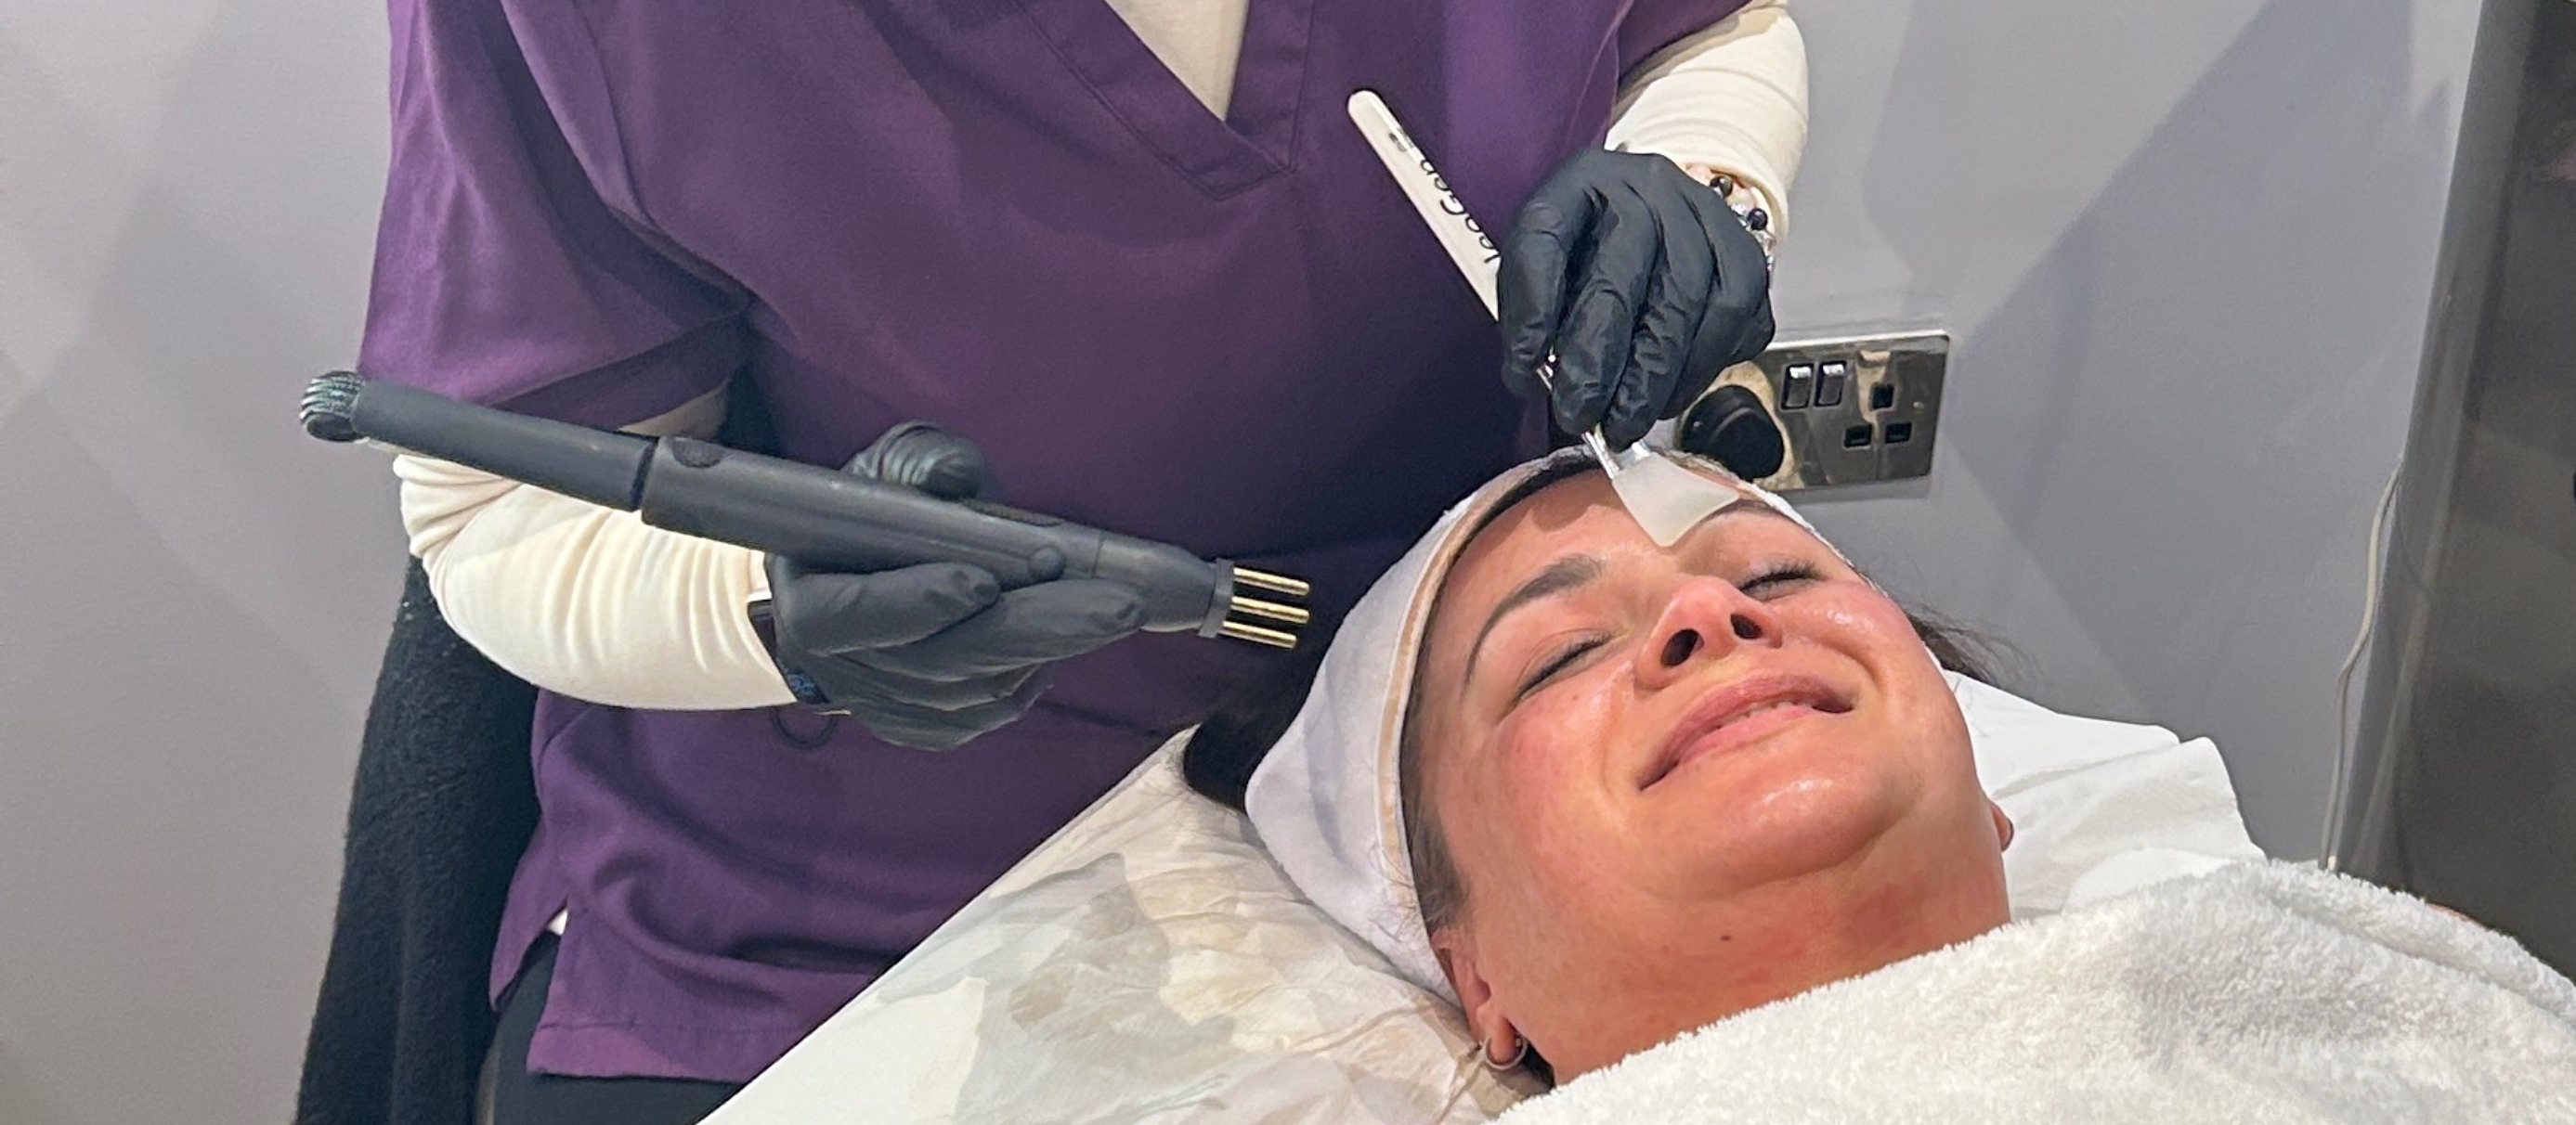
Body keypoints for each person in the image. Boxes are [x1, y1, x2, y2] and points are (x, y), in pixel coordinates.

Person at [296, 2, 1812, 1122]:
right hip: (872, 885)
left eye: (1787, 586)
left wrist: (1703, 173)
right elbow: (498, 517)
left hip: (1445, 757)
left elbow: (1709, 26)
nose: (1729, 623)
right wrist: (780, 619)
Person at [1194, 450, 2576, 1111]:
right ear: (1469, 969)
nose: (1709, 620)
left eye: (1779, 576)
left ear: (1990, 798)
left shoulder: (2329, 970)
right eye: (1557, 657)